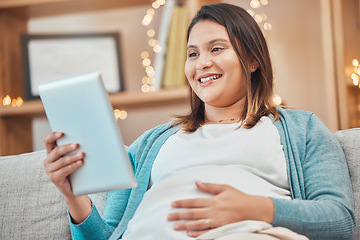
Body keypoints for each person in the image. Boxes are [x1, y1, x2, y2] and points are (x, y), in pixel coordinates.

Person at [43, 3, 356, 240]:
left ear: (252, 60)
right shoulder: (151, 143)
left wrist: (256, 208)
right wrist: (73, 195)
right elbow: (109, 235)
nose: (202, 63)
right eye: (192, 54)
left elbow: (340, 220)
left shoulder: (302, 129)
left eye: (216, 49)